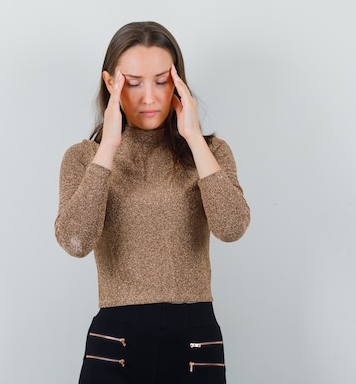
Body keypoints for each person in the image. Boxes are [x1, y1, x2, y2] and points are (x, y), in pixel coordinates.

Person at [54, 21, 250, 384]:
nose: (149, 97)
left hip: (195, 340)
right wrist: (109, 147)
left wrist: (193, 137)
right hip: (117, 340)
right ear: (111, 83)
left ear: (179, 84)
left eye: (162, 82)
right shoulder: (84, 158)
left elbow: (232, 227)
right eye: (133, 82)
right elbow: (75, 241)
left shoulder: (210, 153)